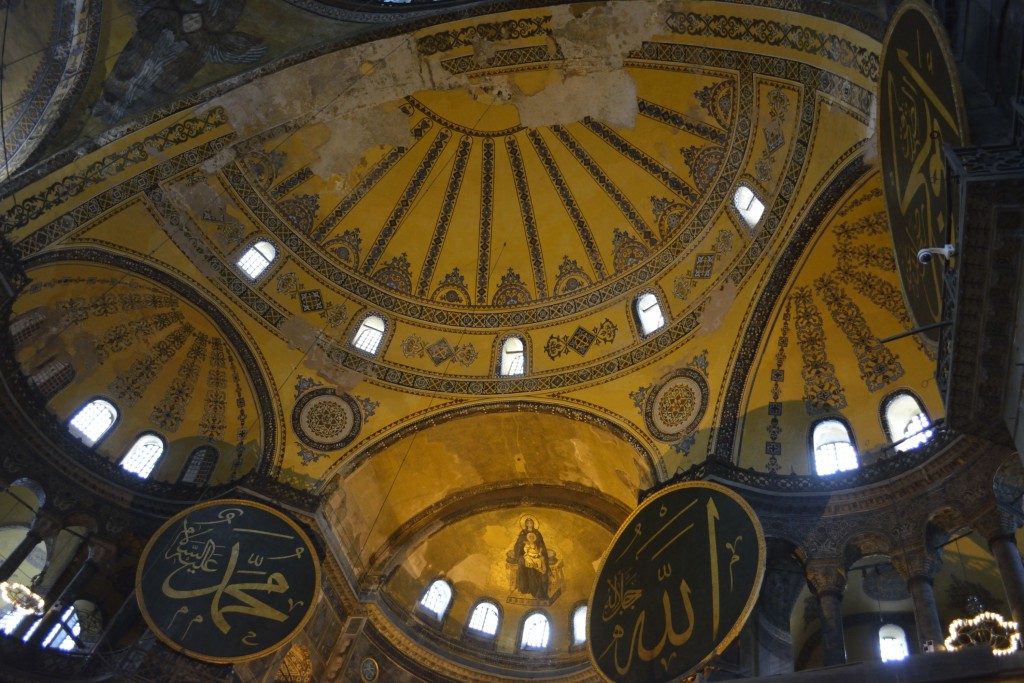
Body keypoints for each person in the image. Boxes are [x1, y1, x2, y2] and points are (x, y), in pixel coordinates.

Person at [513, 518, 549, 599]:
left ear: (533, 524)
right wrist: (524, 544)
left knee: (540, 562)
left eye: (531, 522)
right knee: (522, 561)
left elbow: (541, 544)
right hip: (525, 554)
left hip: (536, 554)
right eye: (528, 523)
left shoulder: (537, 533)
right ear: (525, 524)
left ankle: (538, 589)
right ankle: (525, 587)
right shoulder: (523, 533)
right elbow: (518, 544)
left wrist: (538, 549)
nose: (529, 524)